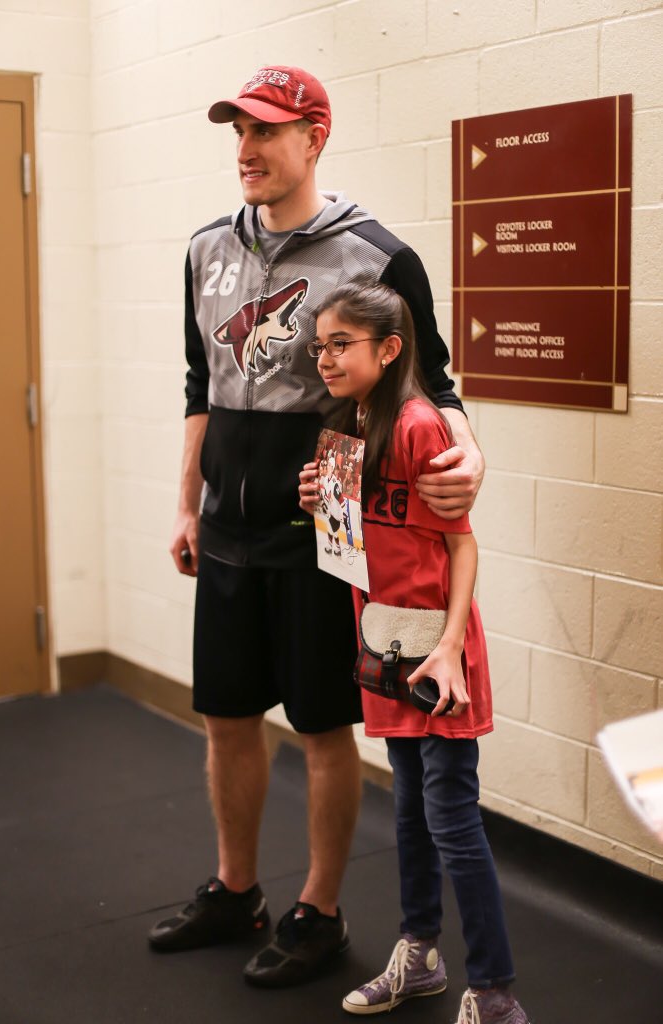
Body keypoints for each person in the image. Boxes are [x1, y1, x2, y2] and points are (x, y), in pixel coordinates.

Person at [149, 64, 485, 989]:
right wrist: (185, 502)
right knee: (225, 715)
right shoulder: (205, 248)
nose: (247, 148)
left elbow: (436, 383)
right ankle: (236, 890)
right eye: (239, 132)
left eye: (265, 130)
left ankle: (321, 912)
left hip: (328, 514)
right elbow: (200, 387)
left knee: (323, 722)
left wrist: (469, 456)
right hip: (227, 518)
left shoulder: (378, 254)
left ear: (314, 137)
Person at [298, 278, 530, 1024]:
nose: (325, 358)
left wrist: (452, 647)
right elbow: (348, 554)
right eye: (319, 345)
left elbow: (462, 546)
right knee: (408, 814)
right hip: (386, 646)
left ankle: (494, 993)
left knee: (451, 819)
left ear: (390, 348)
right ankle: (421, 955)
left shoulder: (420, 424)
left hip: (439, 653)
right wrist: (321, 510)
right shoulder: (345, 427)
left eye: (341, 344)